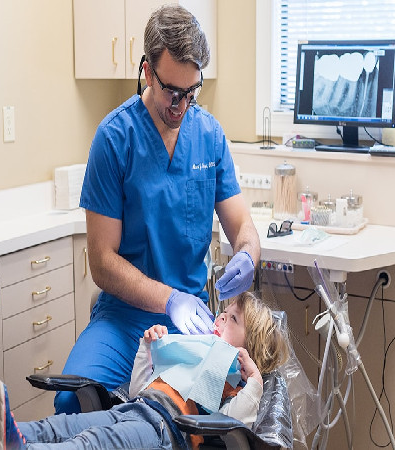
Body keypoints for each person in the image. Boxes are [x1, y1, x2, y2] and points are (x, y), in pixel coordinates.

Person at [58, 4, 260, 413]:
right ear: (147, 71)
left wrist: (249, 256)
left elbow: (243, 227)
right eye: (172, 92)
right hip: (124, 317)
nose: (181, 105)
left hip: (192, 324)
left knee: (182, 417)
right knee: (73, 400)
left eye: (191, 92)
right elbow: (100, 262)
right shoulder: (115, 139)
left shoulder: (209, 135)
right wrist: (169, 299)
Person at [0, 292, 289, 450]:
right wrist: (147, 349)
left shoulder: (232, 384)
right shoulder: (191, 355)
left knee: (90, 444)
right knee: (61, 426)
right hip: (135, 408)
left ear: (248, 350)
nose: (220, 317)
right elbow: (139, 389)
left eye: (233, 319)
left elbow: (237, 426)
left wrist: (254, 381)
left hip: (165, 433)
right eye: (223, 312)